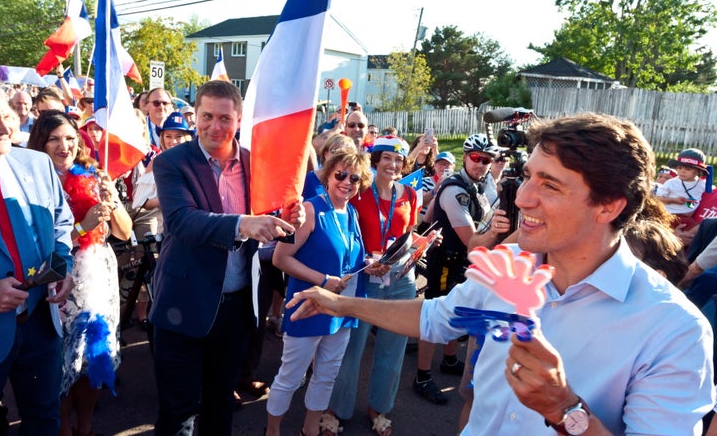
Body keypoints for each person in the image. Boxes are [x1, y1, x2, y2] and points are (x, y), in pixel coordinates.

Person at [288, 113, 715, 435]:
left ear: (609, 206)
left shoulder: (674, 330)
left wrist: (566, 409)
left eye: (550, 185)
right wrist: (340, 302)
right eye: (527, 177)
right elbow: (436, 318)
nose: (523, 198)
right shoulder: (506, 270)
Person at [149, 80, 305, 436]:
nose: (214, 127)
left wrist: (289, 222)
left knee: (221, 403)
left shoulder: (256, 163)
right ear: (195, 116)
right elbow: (181, 221)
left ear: (238, 120)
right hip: (183, 305)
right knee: (178, 411)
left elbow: (275, 221)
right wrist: (244, 223)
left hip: (235, 309)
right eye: (206, 116)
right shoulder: (172, 162)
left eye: (224, 118)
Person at [27, 110, 132, 436]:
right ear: (40, 143)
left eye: (70, 138)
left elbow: (125, 233)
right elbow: (33, 242)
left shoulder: (92, 173)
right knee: (58, 360)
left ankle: (85, 427)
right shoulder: (30, 181)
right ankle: (62, 429)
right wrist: (80, 228)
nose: (64, 146)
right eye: (54, 139)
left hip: (97, 275)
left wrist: (112, 201)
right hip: (53, 275)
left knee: (92, 353)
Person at [326, 136, 431, 436]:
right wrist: (365, 260)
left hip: (400, 278)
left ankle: (379, 407)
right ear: (376, 160)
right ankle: (337, 409)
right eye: (387, 158)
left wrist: (422, 245)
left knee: (393, 349)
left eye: (399, 160)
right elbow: (346, 231)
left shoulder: (409, 194)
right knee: (352, 348)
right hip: (365, 275)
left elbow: (407, 235)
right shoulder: (359, 193)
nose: (394, 165)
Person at [266, 151, 371, 436]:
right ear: (327, 175)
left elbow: (348, 258)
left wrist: (369, 264)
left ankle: (310, 429)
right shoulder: (311, 210)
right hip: (308, 307)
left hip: (341, 309)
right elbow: (280, 258)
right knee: (290, 376)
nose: (347, 182)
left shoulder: (351, 212)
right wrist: (323, 280)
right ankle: (272, 431)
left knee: (326, 376)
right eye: (340, 174)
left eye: (354, 178)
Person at [0, 99, 74, 435]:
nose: (2, 128)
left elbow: (61, 226)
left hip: (41, 320)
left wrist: (61, 267)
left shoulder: (37, 163)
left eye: (6, 117)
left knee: (44, 420)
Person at [414, 133, 506, 405]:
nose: (480, 164)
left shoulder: (476, 186)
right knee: (433, 316)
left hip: (461, 262)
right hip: (445, 259)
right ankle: (421, 375)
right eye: (476, 158)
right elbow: (472, 238)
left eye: (486, 160)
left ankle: (450, 359)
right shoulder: (456, 190)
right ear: (465, 158)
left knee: (461, 310)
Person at [656, 148, 709, 229]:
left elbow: (710, 193)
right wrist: (674, 200)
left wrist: (689, 203)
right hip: (670, 215)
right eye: (680, 168)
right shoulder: (671, 183)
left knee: (700, 230)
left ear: (698, 171)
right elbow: (658, 198)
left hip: (689, 218)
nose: (682, 171)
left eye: (688, 169)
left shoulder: (702, 184)